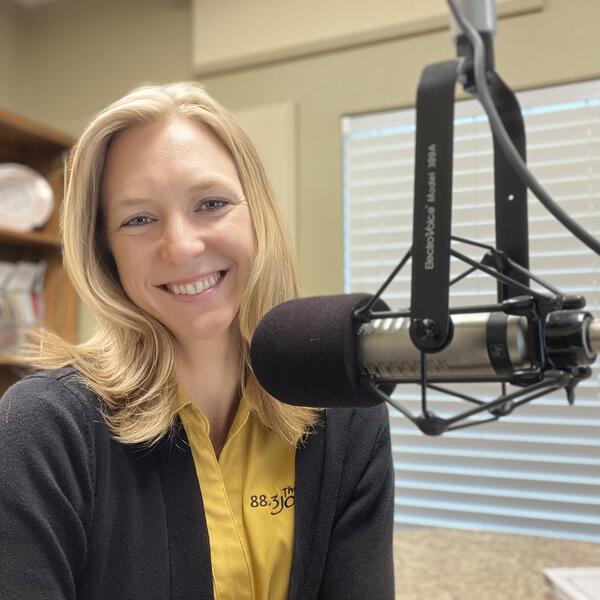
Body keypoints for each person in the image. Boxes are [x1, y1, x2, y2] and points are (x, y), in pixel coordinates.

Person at [0, 82, 394, 600]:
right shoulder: (43, 431)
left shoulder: (343, 405)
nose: (181, 246)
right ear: (106, 251)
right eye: (138, 219)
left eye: (210, 203)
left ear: (259, 217)